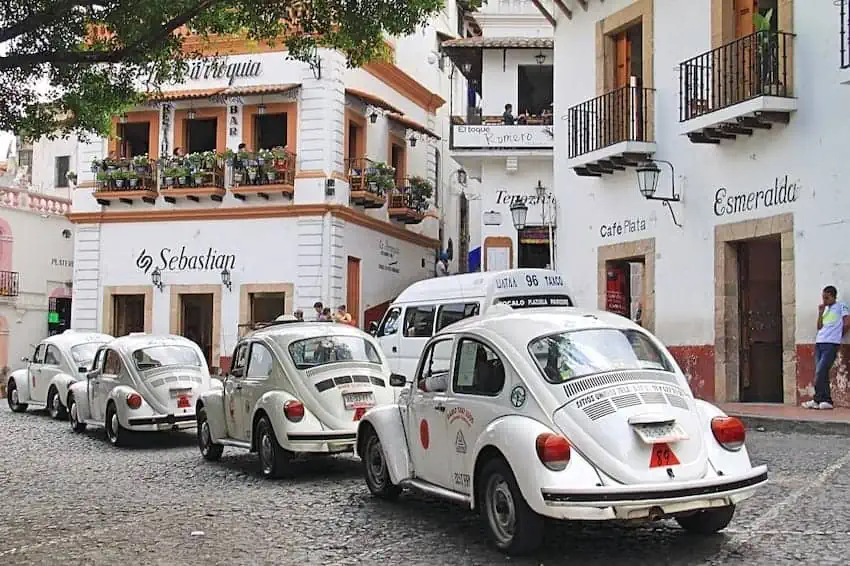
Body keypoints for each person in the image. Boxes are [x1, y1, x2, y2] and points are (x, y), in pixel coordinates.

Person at [803, 285, 850, 410]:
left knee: (821, 371)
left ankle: (824, 399)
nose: (824, 300)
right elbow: (819, 327)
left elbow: (847, 322)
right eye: (823, 297)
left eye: (827, 298)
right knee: (820, 372)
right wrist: (820, 312)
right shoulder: (825, 309)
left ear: (833, 296)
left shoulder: (841, 306)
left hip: (831, 344)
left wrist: (838, 336)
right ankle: (820, 400)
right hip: (820, 342)